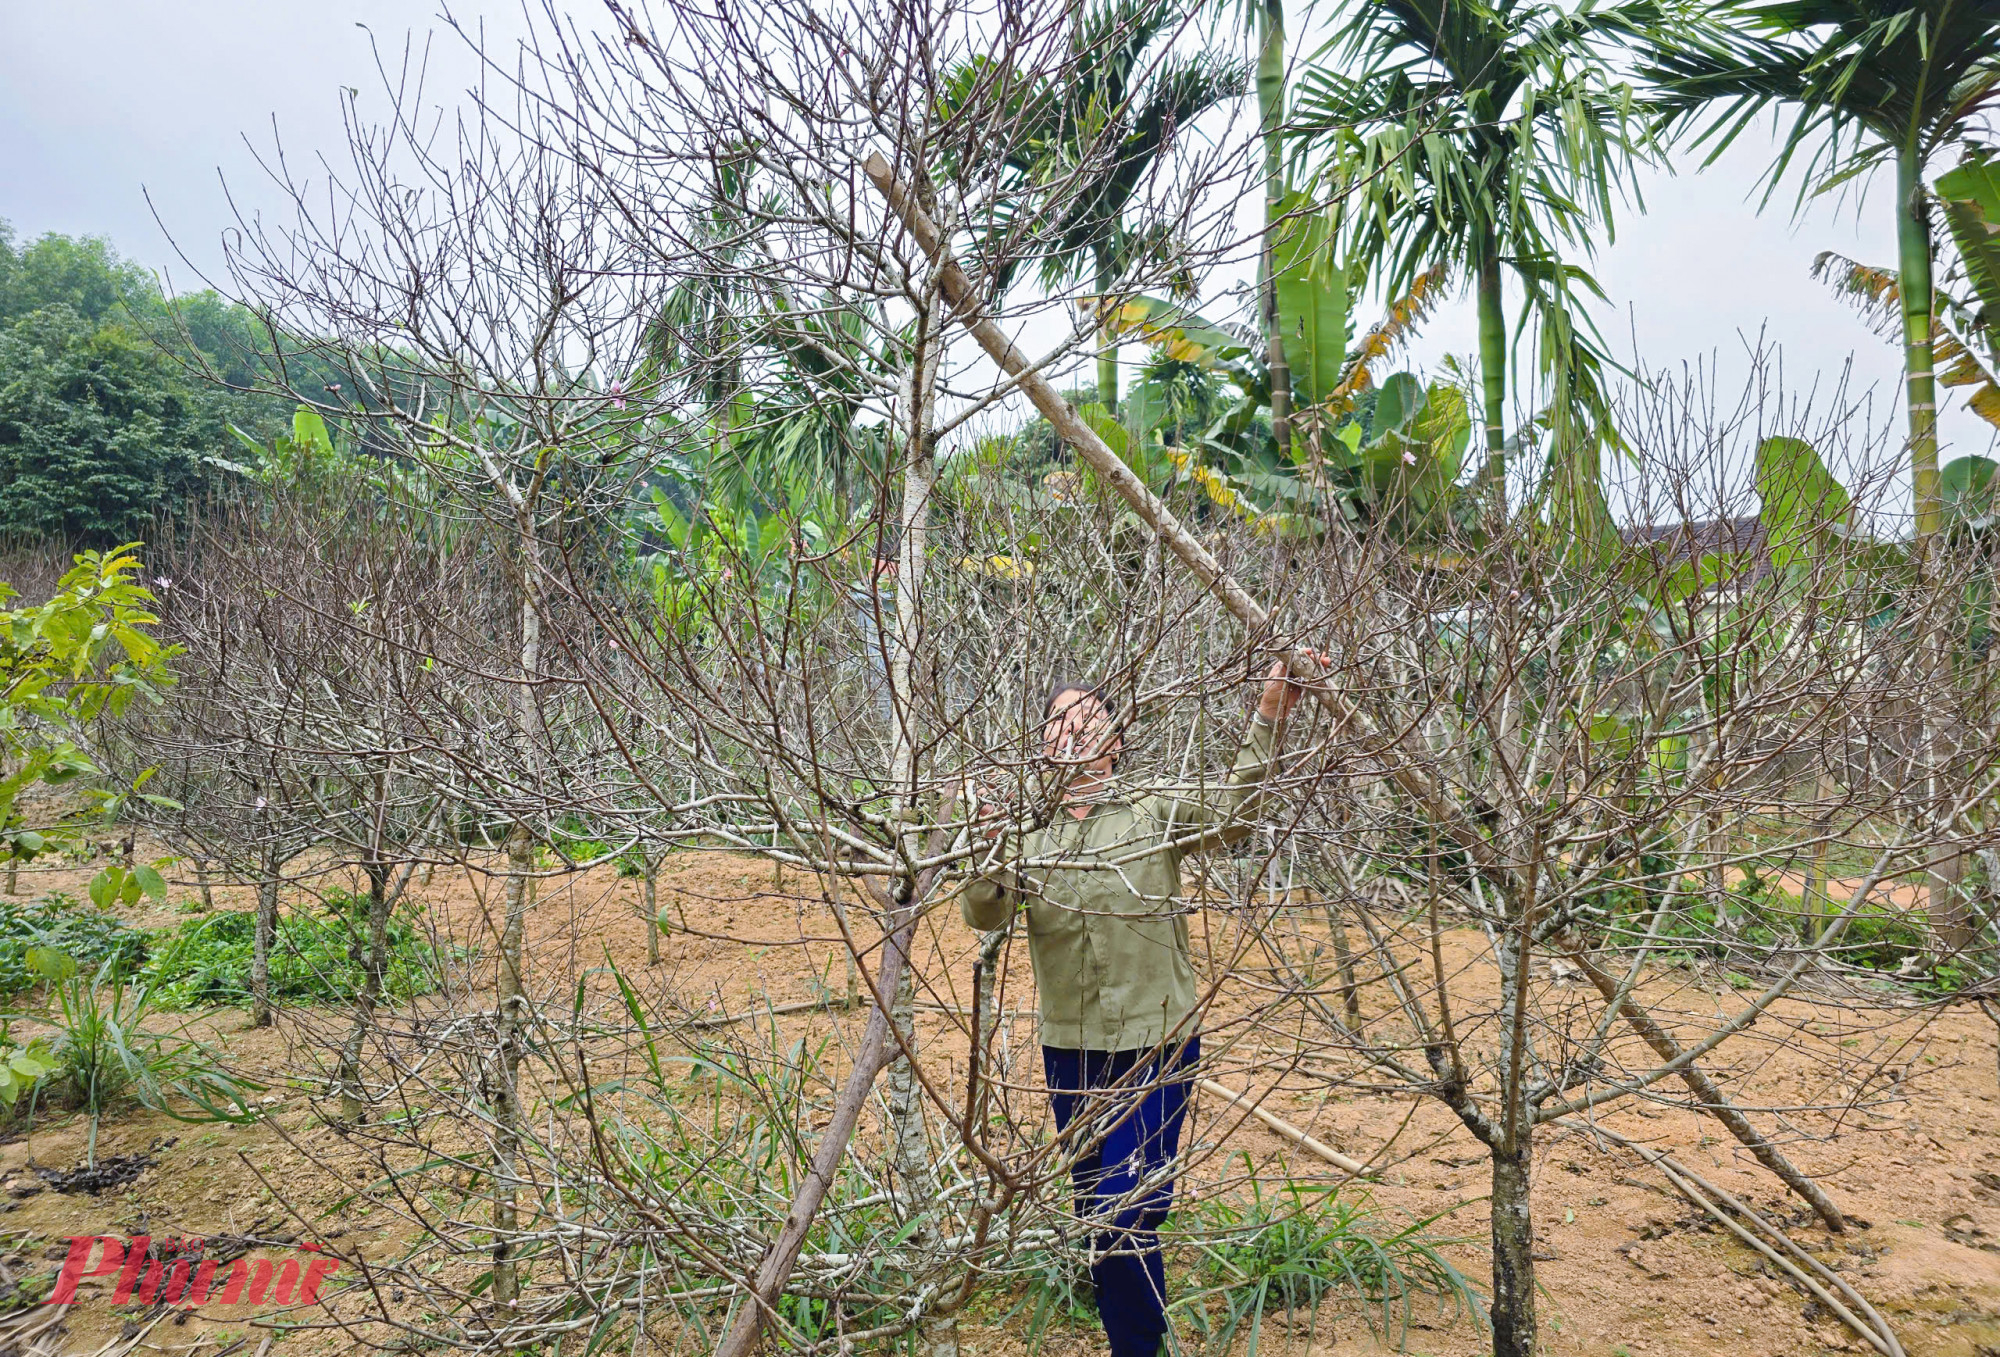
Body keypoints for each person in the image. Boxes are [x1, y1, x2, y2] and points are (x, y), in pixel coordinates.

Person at [959, 656, 1322, 1357]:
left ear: (1115, 738)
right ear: (1041, 743)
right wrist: (988, 833)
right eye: (1059, 722)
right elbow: (983, 909)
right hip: (1071, 1046)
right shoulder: (1029, 833)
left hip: (1156, 1041)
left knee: (1130, 1205)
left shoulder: (1152, 809)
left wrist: (1272, 711)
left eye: (1088, 718)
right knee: (1100, 1212)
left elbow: (1234, 813)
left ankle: (1137, 1348)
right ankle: (1137, 1342)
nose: (1073, 731)